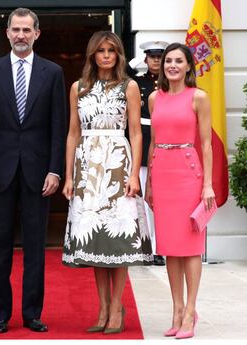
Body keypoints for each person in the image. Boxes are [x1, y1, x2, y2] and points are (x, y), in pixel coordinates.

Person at [0, 7, 66, 334]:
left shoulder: (53, 72)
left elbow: (59, 126)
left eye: (27, 30)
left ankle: (32, 313)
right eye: (16, 29)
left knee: (35, 248)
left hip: (38, 173)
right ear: (7, 33)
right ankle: (1, 314)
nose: (21, 35)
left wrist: (56, 170)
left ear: (37, 34)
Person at [62, 31, 153, 334]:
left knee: (119, 238)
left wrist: (133, 175)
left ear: (118, 55)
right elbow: (73, 133)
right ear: (92, 54)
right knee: (95, 240)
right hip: (87, 166)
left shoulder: (129, 86)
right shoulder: (79, 88)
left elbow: (136, 133)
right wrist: (69, 175)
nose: (105, 55)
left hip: (117, 164)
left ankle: (116, 306)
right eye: (100, 50)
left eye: (111, 50)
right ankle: (101, 307)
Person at [145, 42, 215, 339]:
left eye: (178, 61)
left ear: (188, 66)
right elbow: (152, 140)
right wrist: (148, 181)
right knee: (170, 248)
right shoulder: (153, 98)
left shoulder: (198, 97)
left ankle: (190, 310)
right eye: (168, 61)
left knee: (190, 248)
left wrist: (208, 184)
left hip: (188, 173)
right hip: (161, 172)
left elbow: (207, 144)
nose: (172, 65)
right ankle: (175, 309)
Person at [131, 41, 169, 266]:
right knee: (143, 201)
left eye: (159, 57)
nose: (155, 60)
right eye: (151, 56)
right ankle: (146, 247)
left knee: (161, 201)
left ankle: (159, 247)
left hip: (165, 140)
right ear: (145, 59)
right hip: (144, 141)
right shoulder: (137, 82)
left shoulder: (171, 83)